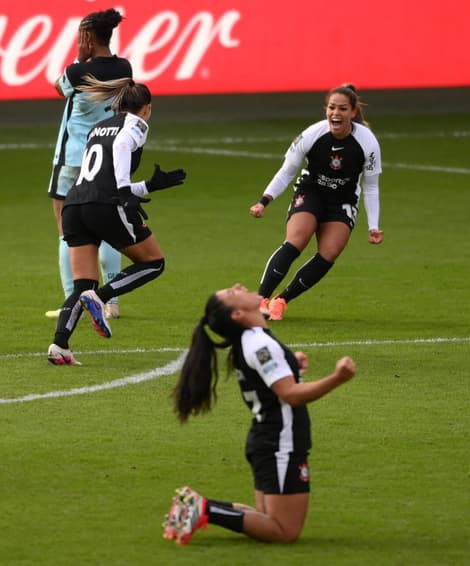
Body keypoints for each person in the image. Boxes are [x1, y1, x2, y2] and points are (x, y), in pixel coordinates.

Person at [162, 283, 356, 544]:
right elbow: (290, 394)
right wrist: (337, 378)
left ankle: (198, 506)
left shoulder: (250, 340)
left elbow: (267, 379)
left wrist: (290, 364)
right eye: (231, 293)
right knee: (283, 531)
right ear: (237, 314)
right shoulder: (259, 343)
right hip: (280, 442)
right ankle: (202, 508)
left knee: (266, 518)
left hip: (267, 438)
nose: (238, 286)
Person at [46, 77, 187, 365]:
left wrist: (149, 186)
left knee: (82, 285)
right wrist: (125, 190)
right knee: (154, 263)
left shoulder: (98, 128)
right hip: (104, 205)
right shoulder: (136, 124)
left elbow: (101, 176)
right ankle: (102, 297)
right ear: (146, 108)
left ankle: (59, 345)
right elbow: (121, 151)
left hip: (75, 205)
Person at [249, 84, 384, 321]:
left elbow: (371, 185)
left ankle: (282, 300)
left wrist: (373, 225)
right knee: (296, 241)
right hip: (311, 192)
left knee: (329, 253)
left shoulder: (367, 142)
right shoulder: (312, 135)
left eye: (343, 109)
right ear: (326, 110)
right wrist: (264, 201)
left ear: (353, 112)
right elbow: (287, 171)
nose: (336, 114)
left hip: (342, 200)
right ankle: (261, 299)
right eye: (332, 108)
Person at [46, 8, 133, 321]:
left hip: (72, 159)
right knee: (107, 227)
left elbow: (58, 88)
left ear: (87, 38)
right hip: (107, 157)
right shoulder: (125, 67)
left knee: (66, 230)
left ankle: (75, 303)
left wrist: (80, 58)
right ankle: (112, 300)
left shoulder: (77, 72)